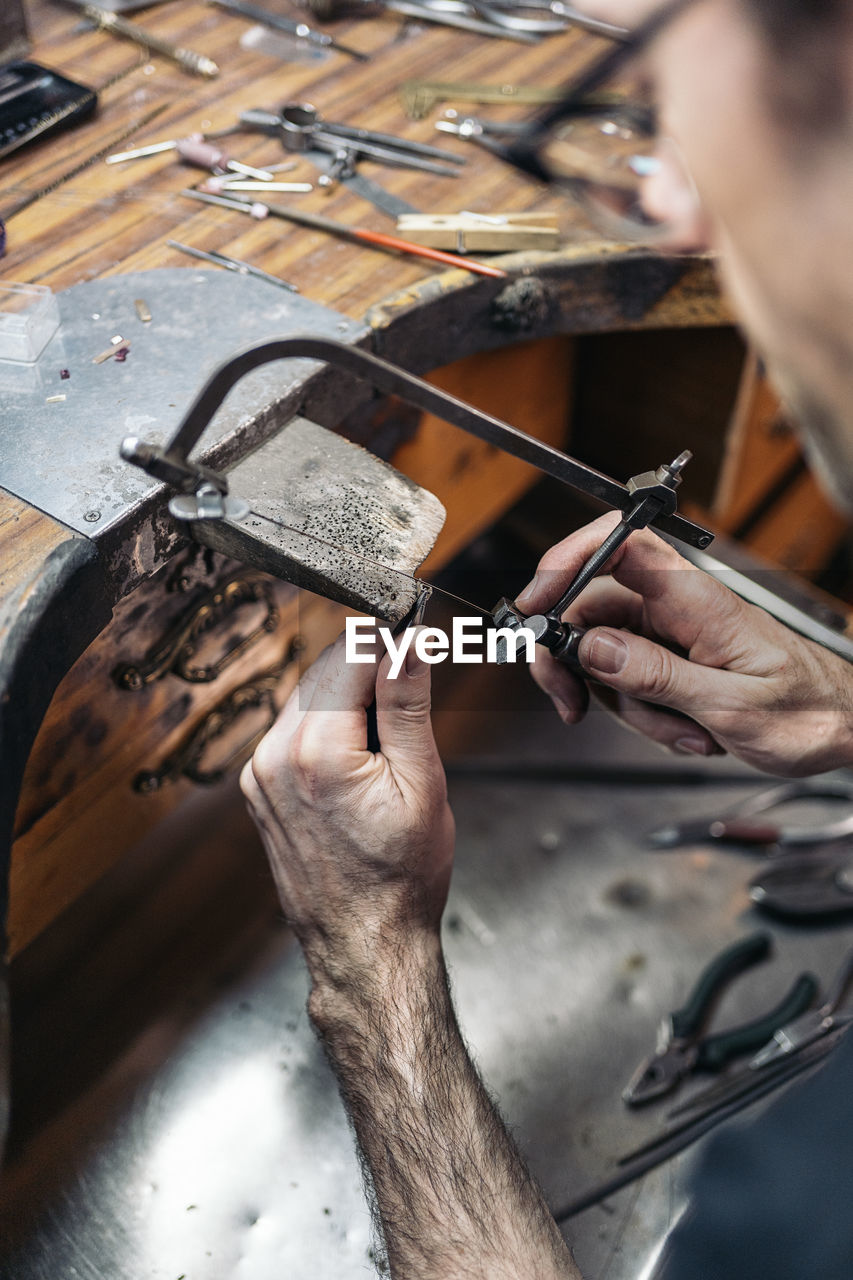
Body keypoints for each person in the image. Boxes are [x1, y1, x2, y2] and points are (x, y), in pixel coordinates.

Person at [240, 0, 853, 1274]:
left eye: (655, 109)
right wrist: (839, 705)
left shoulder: (810, 1195)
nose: (675, 219)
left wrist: (367, 964)